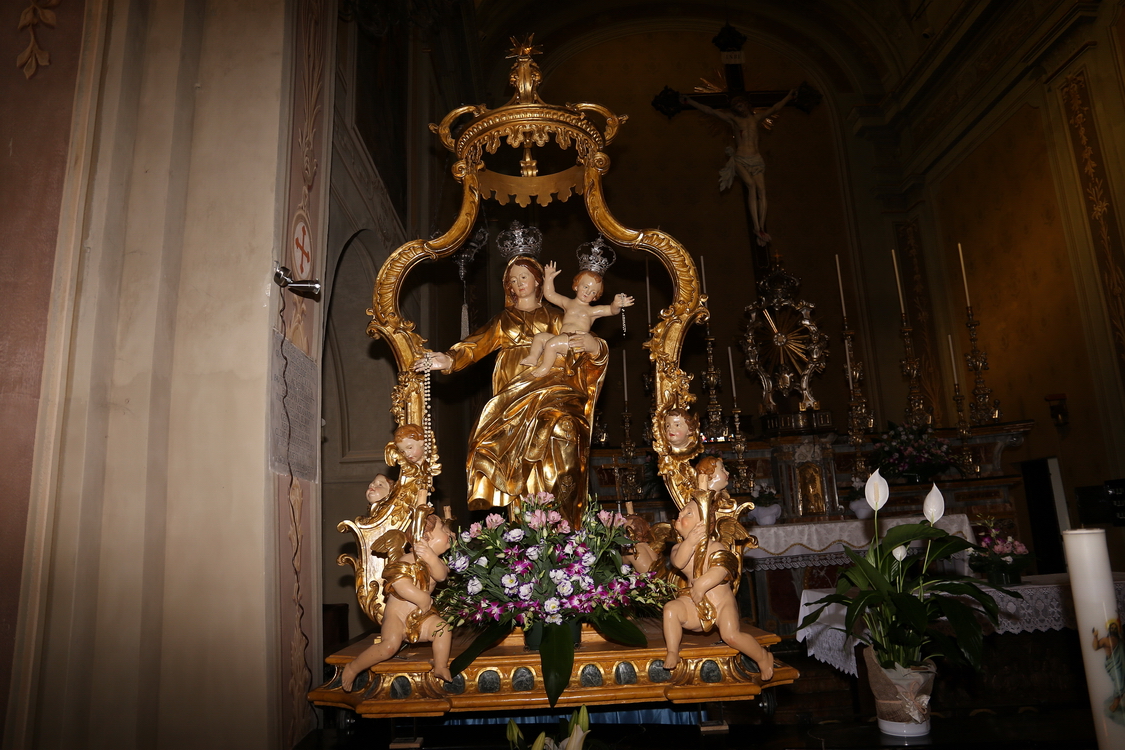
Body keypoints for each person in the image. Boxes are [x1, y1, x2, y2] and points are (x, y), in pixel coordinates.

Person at [413, 256, 608, 523]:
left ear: (538, 280)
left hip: (553, 388)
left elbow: (580, 347)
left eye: (524, 277)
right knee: (512, 460)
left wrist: (595, 347)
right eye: (512, 280)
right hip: (513, 394)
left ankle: (564, 527)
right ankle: (525, 531)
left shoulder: (557, 316)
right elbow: (475, 345)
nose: (518, 284)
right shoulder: (503, 320)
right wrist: (449, 359)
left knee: (562, 436)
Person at [661, 458, 774, 680]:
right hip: (693, 603)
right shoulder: (677, 549)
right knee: (670, 610)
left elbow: (722, 570)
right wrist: (691, 543)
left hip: (721, 603)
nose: (681, 516)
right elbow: (679, 563)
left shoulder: (715, 546)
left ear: (706, 523)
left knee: (731, 635)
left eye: (689, 514)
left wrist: (702, 584)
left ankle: (762, 657)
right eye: (681, 515)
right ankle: (673, 650)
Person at [340, 514, 454, 690]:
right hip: (398, 617)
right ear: (426, 537)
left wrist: (430, 557)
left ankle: (440, 666)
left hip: (422, 617)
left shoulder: (435, 562)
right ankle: (353, 668)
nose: (451, 534)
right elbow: (400, 585)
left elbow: (441, 575)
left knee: (443, 629)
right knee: (388, 647)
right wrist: (421, 597)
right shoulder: (406, 561)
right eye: (445, 530)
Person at [681, 89, 796, 246]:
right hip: (741, 158)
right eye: (736, 106)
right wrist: (690, 102)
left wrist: (789, 96)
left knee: (762, 191)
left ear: (747, 105)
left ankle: (761, 227)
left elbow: (775, 108)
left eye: (740, 105)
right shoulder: (733, 120)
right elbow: (710, 111)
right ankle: (756, 227)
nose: (738, 108)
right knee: (751, 186)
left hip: (756, 159)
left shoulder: (756, 119)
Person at [520, 261, 633, 378]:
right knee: (539, 337)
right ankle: (533, 357)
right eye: (585, 287)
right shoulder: (568, 303)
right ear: (576, 285)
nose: (588, 292)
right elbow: (550, 295)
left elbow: (610, 310)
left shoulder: (592, 311)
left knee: (551, 344)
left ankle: (545, 368)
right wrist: (549, 278)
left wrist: (616, 304)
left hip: (575, 342)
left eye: (593, 292)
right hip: (563, 338)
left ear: (595, 297)